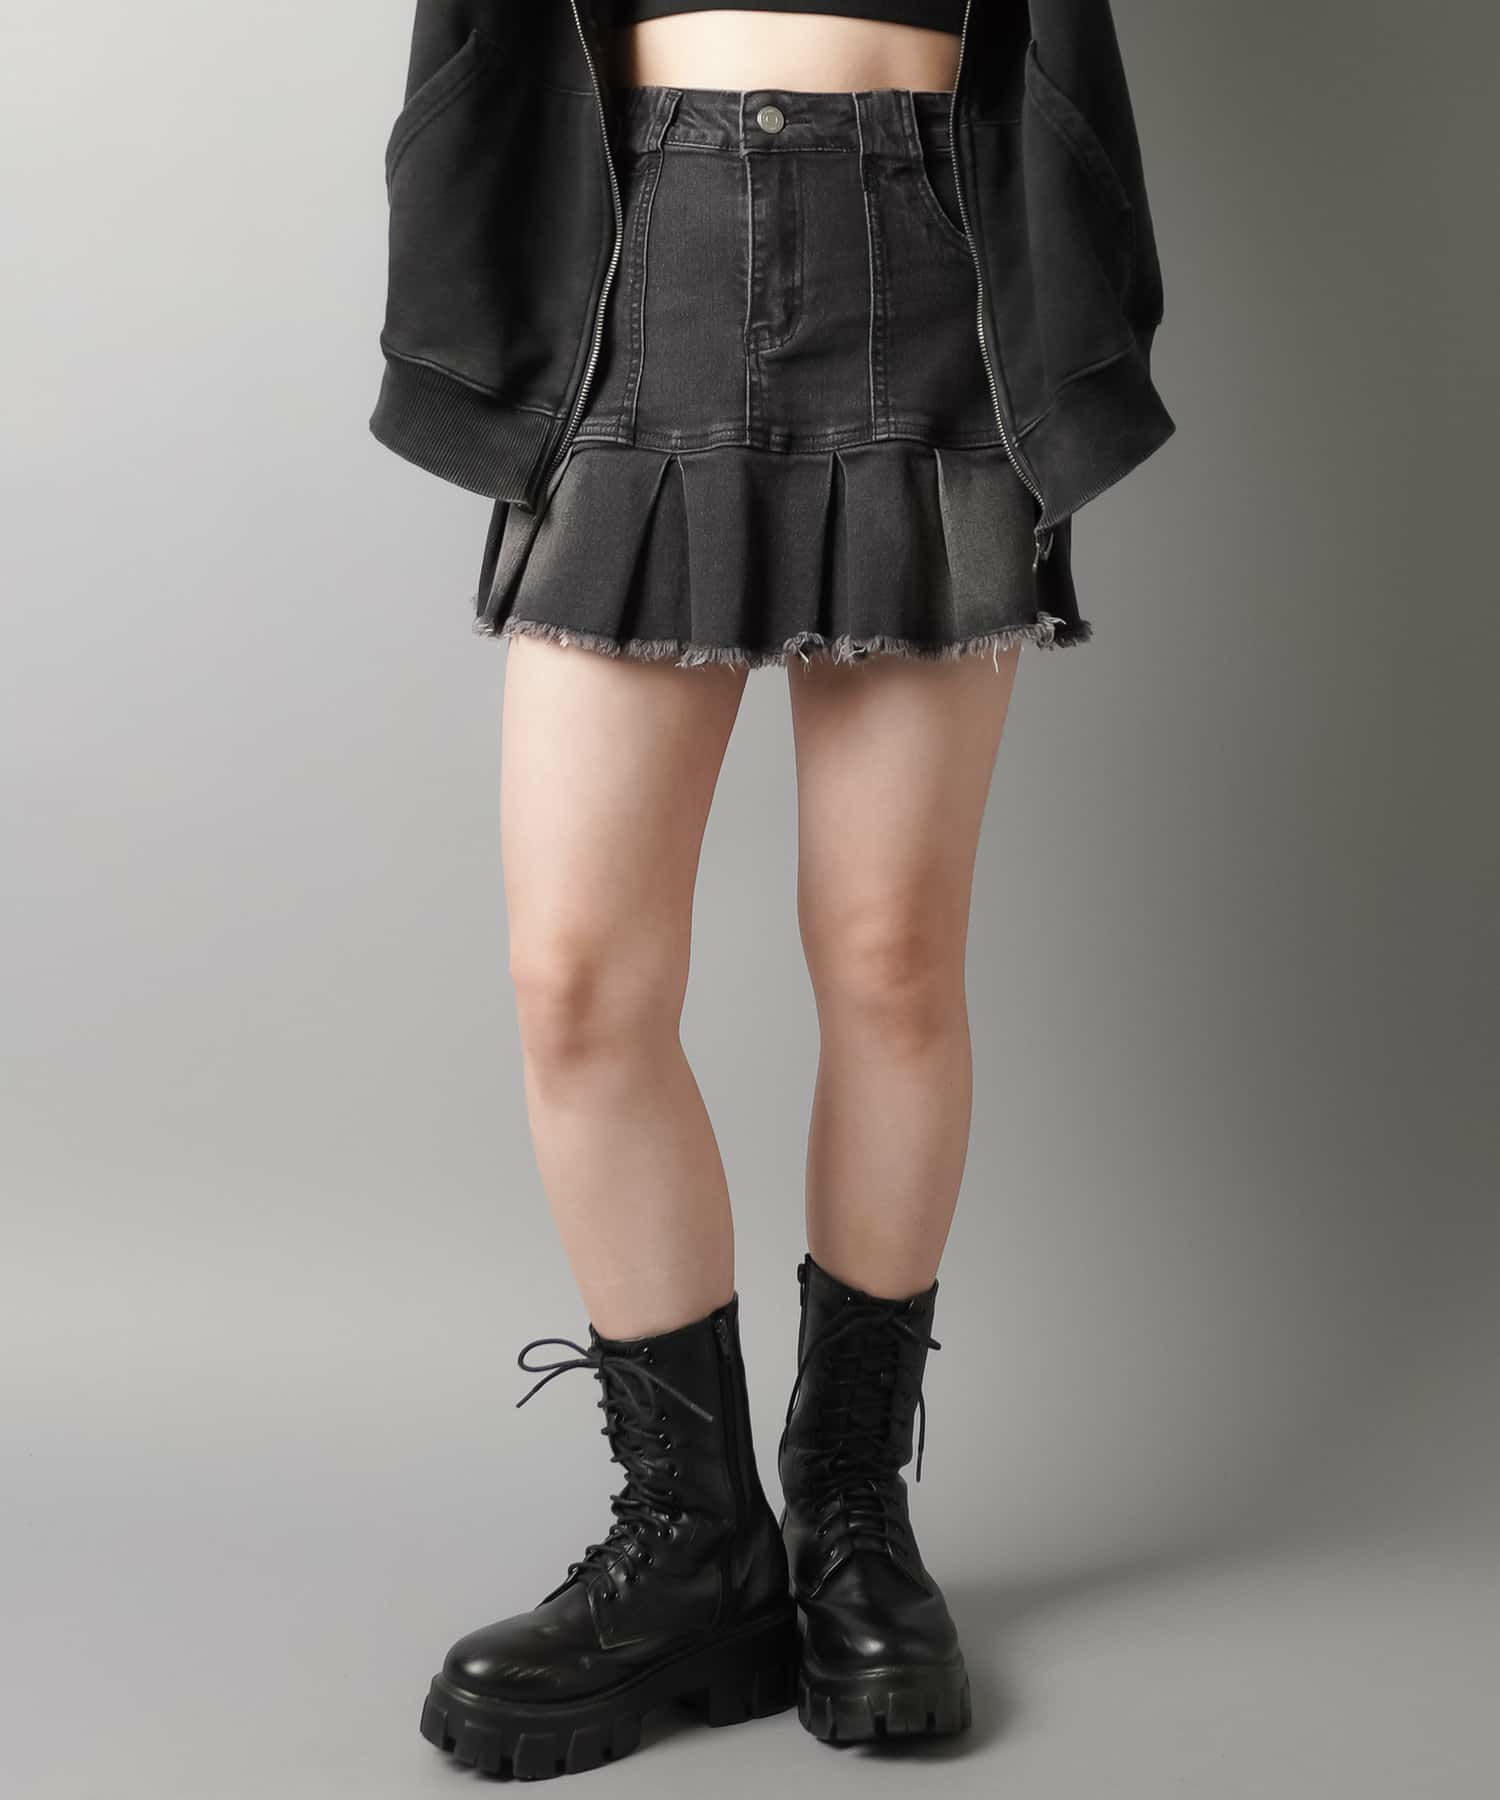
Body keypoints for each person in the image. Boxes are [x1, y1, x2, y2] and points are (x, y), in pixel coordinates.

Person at [371, 0, 1173, 1777]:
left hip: (930, 233)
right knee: (579, 979)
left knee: (889, 958)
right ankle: (695, 1544)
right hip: (635, 246)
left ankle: (852, 1516)